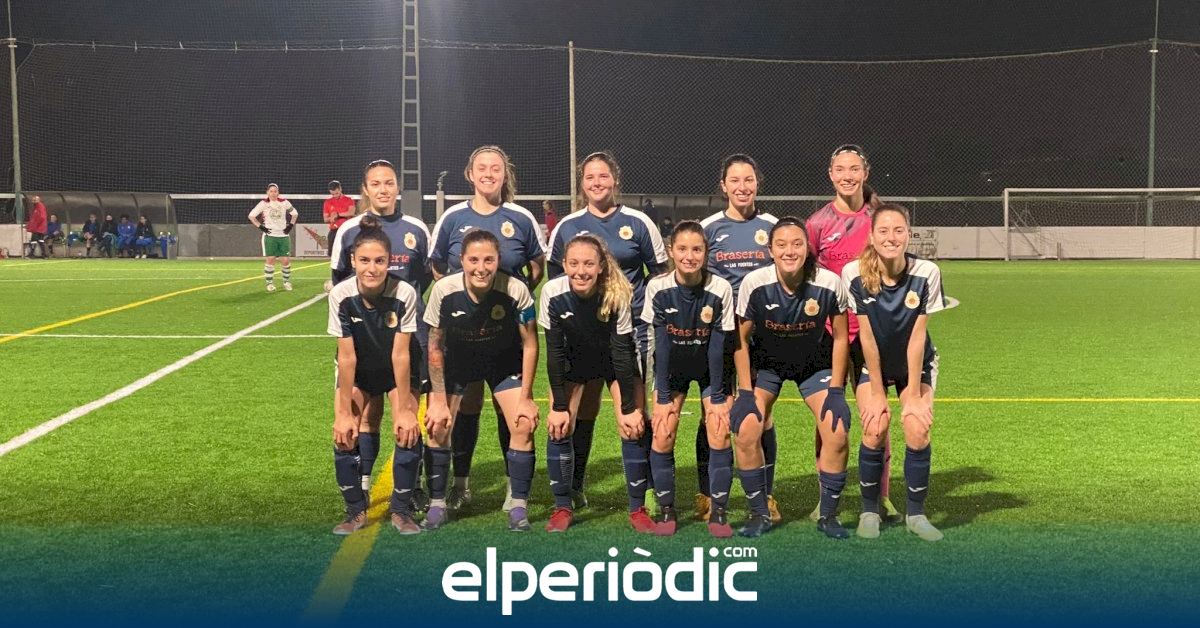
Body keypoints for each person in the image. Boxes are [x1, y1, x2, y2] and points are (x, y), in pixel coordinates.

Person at [546, 151, 667, 509]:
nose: (597, 183)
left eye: (603, 176)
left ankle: (645, 489)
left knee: (635, 408)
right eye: (590, 177)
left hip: (632, 331)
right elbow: (556, 278)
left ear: (615, 179)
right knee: (585, 409)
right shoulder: (568, 226)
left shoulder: (638, 222)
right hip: (582, 335)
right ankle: (575, 485)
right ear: (581, 183)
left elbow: (659, 276)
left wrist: (640, 310)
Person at [428, 145, 546, 512]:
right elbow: (437, 267)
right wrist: (464, 302)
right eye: (482, 168)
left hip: (505, 337)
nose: (489, 174)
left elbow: (537, 266)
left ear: (504, 174)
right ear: (470, 174)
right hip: (462, 338)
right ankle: (460, 486)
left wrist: (509, 299)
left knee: (506, 408)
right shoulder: (452, 217)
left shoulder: (521, 218)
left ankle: (514, 488)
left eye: (496, 168)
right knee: (468, 406)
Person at [731, 216, 853, 539]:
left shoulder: (828, 283)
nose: (790, 251)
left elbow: (841, 337)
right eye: (781, 245)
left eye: (797, 244)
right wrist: (745, 391)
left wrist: (837, 390)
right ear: (770, 250)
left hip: (813, 365)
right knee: (746, 430)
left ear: (807, 248)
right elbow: (739, 339)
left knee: (837, 431)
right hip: (767, 365)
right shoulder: (754, 283)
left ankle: (828, 515)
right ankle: (759, 513)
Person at [328, 159, 433, 507]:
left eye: (389, 183)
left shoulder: (416, 229)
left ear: (398, 187)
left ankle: (413, 486)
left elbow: (424, 277)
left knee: (408, 409)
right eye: (375, 183)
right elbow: (340, 279)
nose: (383, 189)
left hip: (408, 332)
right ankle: (363, 481)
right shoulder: (349, 230)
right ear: (365, 189)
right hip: (363, 336)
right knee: (367, 412)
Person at [423, 229, 540, 532]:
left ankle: (518, 504)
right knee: (437, 423)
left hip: (503, 362)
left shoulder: (516, 289)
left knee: (523, 422)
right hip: (458, 362)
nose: (481, 267)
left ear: (498, 260)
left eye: (489, 260)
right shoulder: (443, 290)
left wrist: (526, 397)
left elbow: (530, 344)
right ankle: (440, 502)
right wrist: (438, 401)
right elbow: (434, 346)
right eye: (473, 260)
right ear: (461, 260)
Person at [841, 203, 945, 542]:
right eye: (883, 231)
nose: (891, 237)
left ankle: (916, 515)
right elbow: (867, 336)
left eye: (898, 230)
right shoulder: (854, 273)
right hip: (871, 361)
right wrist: (875, 392)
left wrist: (912, 395)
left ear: (908, 235)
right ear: (871, 236)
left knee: (916, 428)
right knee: (875, 427)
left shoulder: (927, 272)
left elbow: (917, 337)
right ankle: (869, 511)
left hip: (915, 363)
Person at [806, 144, 898, 522]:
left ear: (865, 172)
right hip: (829, 335)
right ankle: (825, 497)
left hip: (871, 334)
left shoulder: (878, 219)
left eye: (854, 169)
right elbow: (806, 278)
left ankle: (881, 495)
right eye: (841, 170)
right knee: (828, 418)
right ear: (831, 175)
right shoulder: (817, 224)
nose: (847, 176)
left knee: (876, 414)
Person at [540, 234, 646, 533]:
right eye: (573, 263)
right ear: (564, 265)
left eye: (588, 264)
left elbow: (622, 352)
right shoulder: (552, 292)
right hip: (573, 363)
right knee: (560, 425)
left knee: (632, 425)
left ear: (600, 266)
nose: (581, 271)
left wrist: (629, 408)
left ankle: (638, 508)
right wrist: (558, 406)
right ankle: (563, 505)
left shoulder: (616, 292)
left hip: (613, 362)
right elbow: (554, 351)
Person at [698, 154, 778, 524]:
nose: (742, 187)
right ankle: (707, 494)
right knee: (712, 414)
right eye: (735, 180)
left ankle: (766, 494)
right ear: (723, 185)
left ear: (757, 183)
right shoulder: (709, 228)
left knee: (761, 416)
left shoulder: (772, 227)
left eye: (749, 180)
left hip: (760, 338)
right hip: (717, 335)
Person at [642, 221, 735, 536]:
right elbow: (661, 345)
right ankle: (667, 510)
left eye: (697, 249)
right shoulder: (657, 287)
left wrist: (718, 398)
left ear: (706, 252)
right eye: (682, 249)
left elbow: (718, 348)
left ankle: (718, 512)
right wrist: (662, 397)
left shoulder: (720, 288)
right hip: (673, 370)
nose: (689, 256)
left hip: (711, 370)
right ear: (671, 251)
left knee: (719, 432)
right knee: (663, 433)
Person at [248, 183, 298, 292]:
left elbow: (295, 214)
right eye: (271, 191)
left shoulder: (284, 202)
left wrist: (290, 226)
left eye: (275, 191)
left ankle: (286, 282)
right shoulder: (263, 203)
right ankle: (269, 283)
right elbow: (251, 216)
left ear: (278, 192)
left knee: (285, 261)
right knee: (271, 259)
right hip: (270, 236)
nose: (273, 193)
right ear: (267, 192)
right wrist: (261, 227)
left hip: (283, 236)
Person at [324, 180, 356, 256]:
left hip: (346, 230)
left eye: (336, 193)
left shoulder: (349, 200)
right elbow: (325, 219)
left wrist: (338, 215)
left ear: (340, 189)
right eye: (333, 194)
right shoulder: (327, 202)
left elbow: (351, 213)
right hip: (334, 231)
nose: (335, 196)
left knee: (348, 254)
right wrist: (331, 218)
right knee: (332, 255)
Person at [24, 194, 47, 259]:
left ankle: (31, 254)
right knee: (40, 241)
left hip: (38, 228)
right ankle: (44, 255)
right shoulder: (37, 207)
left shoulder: (39, 206)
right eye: (33, 200)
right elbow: (34, 218)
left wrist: (35, 225)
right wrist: (29, 225)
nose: (33, 201)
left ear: (38, 200)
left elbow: (41, 217)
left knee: (33, 241)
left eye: (34, 200)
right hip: (39, 228)